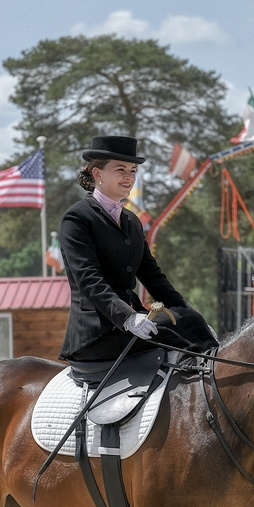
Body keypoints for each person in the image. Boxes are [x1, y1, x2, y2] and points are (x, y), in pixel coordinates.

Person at [58, 135, 217, 367]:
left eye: (132, 171)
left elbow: (153, 277)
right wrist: (128, 317)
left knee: (191, 323)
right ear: (97, 174)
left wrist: (192, 316)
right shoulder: (77, 218)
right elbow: (89, 280)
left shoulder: (131, 221)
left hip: (134, 321)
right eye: (120, 169)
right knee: (181, 341)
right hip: (97, 331)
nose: (128, 177)